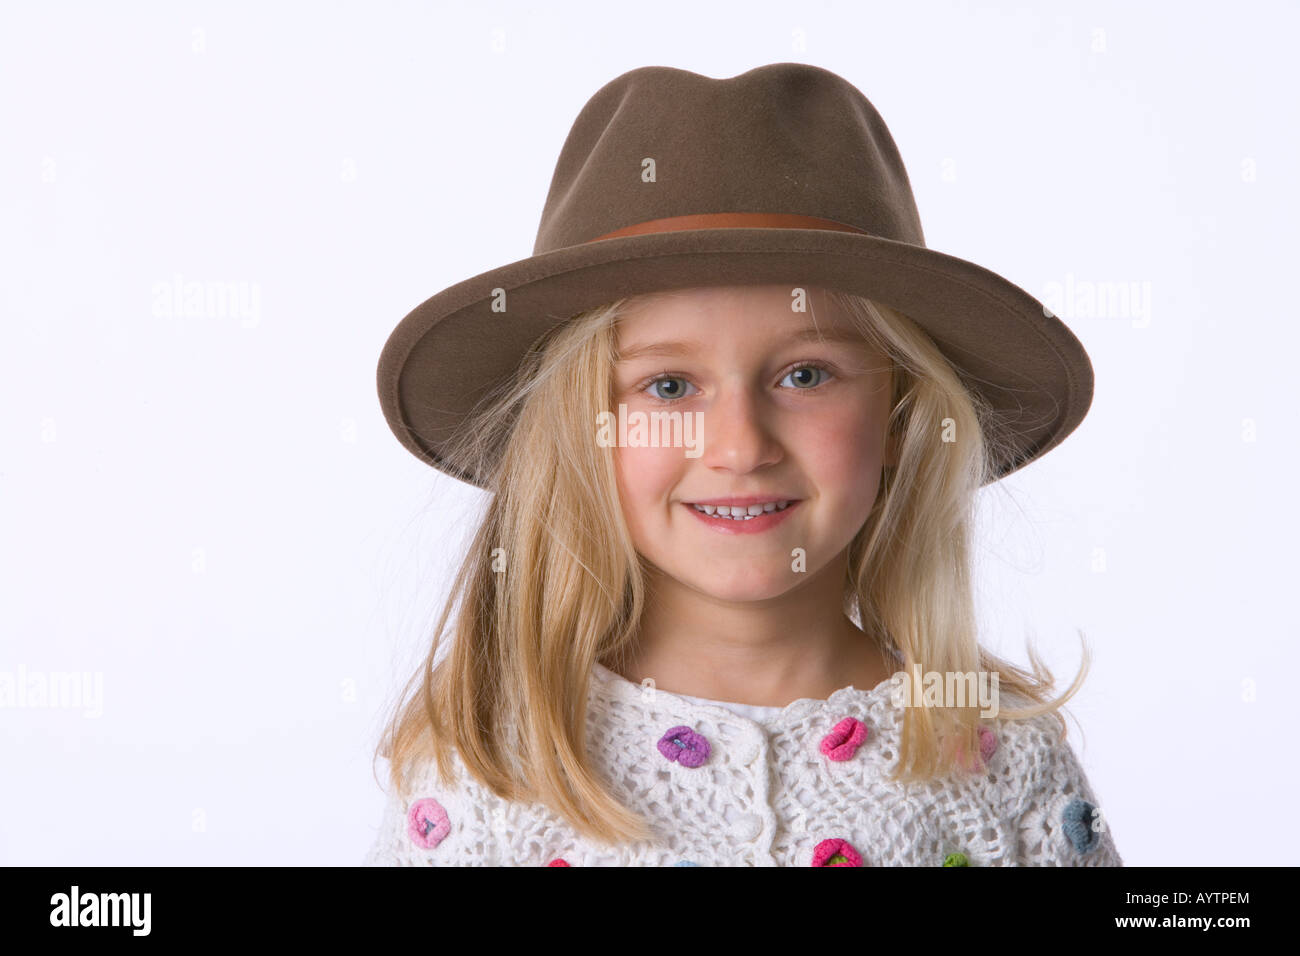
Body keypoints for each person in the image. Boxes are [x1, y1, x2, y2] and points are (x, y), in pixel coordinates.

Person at [363, 64, 1122, 866]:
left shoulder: (1003, 764)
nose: (739, 446)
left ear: (899, 414)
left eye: (806, 375)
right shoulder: (484, 776)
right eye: (668, 385)